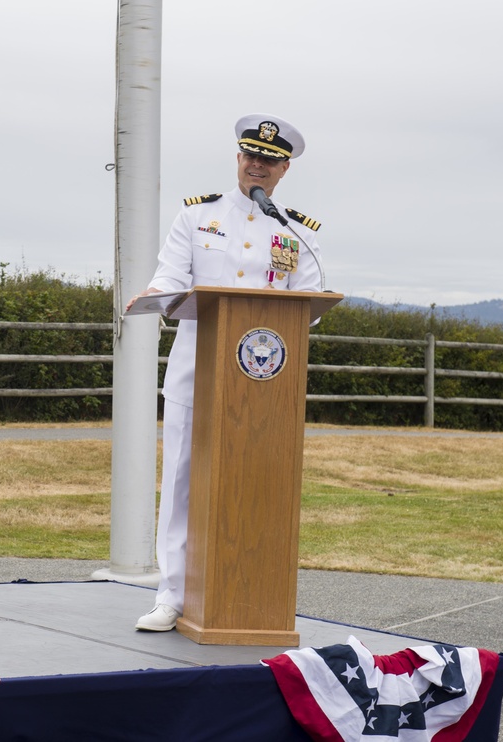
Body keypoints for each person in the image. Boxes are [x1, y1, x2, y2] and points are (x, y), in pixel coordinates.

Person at [126, 114, 325, 632]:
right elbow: (170, 279)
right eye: (249, 156)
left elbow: (311, 302)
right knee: (182, 484)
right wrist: (155, 295)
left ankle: (249, 593)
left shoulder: (295, 231)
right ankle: (171, 594)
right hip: (198, 375)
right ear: (238, 159)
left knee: (257, 485)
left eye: (268, 160)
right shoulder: (197, 218)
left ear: (284, 169)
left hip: (264, 388)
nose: (257, 166)